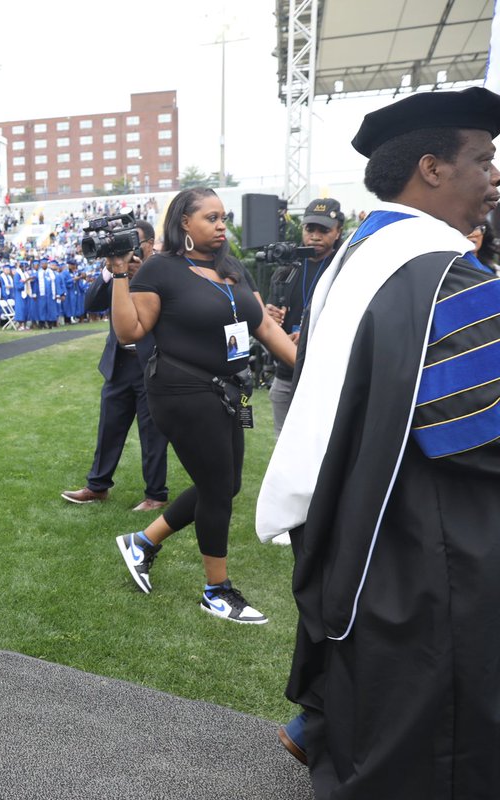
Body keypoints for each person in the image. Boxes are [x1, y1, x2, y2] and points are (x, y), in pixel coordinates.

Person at [258, 86, 500, 797]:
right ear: (431, 167)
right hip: (429, 544)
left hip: (354, 522)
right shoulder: (445, 274)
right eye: (483, 158)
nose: (495, 175)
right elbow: (480, 428)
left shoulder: (358, 256)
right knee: (435, 747)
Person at [108, 187, 296, 623]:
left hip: (230, 390)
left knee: (225, 486)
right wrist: (120, 274)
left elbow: (264, 325)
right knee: (217, 489)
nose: (221, 225)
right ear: (184, 224)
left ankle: (143, 542)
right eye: (211, 218)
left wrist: (305, 367)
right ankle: (217, 591)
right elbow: (130, 332)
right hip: (181, 391)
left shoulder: (231, 268)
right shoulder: (160, 269)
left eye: (223, 217)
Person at [62, 220, 168, 511]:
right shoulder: (115, 269)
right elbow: (91, 303)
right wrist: (111, 271)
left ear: (149, 243)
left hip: (153, 363)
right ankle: (97, 487)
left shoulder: (162, 268)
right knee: (109, 427)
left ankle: (156, 494)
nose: (127, 249)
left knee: (152, 433)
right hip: (120, 362)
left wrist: (141, 273)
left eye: (134, 241)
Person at [264, 198, 345, 436]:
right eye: (310, 229)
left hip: (324, 377)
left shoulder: (344, 269)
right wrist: (270, 316)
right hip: (285, 374)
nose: (315, 236)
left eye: (324, 230)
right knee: (283, 443)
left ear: (338, 231)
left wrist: (310, 334)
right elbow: (271, 318)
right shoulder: (287, 268)